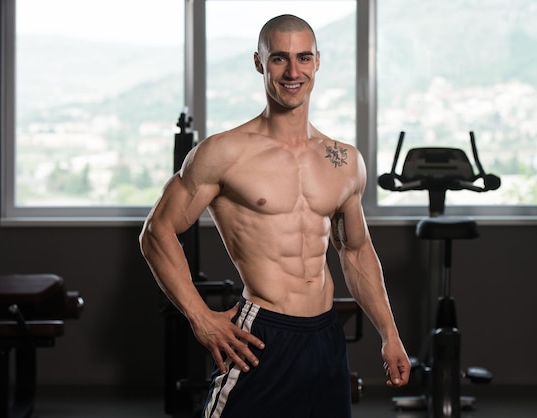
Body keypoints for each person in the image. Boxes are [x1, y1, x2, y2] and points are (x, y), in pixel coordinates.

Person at [140, 14, 410, 418]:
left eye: (303, 58)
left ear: (318, 61)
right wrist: (200, 317)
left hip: (325, 336)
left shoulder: (344, 161)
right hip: (262, 334)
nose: (293, 71)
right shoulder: (225, 152)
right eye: (280, 58)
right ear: (259, 62)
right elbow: (156, 231)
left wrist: (390, 333)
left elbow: (355, 252)